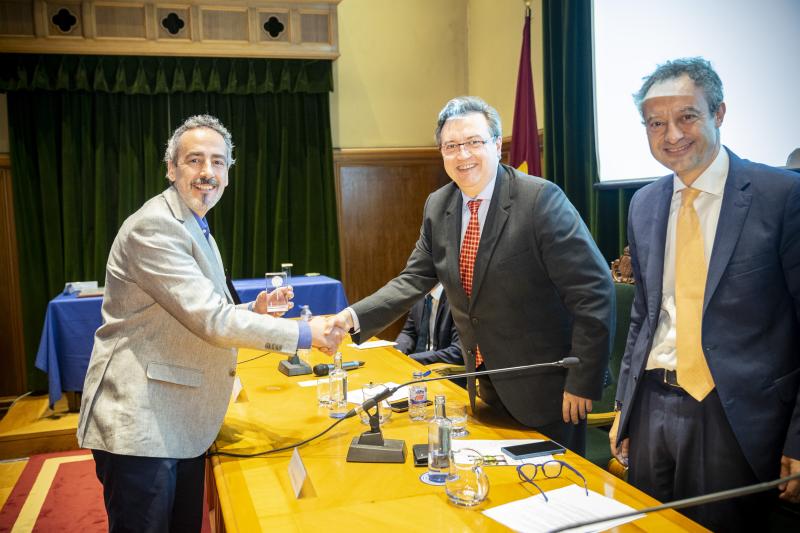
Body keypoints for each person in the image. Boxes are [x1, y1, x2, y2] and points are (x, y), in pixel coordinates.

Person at [77, 115, 343, 532]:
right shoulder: (155, 227)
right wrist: (307, 333)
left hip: (177, 418)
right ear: (171, 168)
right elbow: (211, 321)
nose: (207, 173)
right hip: (142, 426)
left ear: (228, 172)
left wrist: (253, 312)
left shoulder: (195, 224)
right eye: (195, 160)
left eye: (218, 162)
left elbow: (194, 313)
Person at [333, 97, 614, 455]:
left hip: (550, 390)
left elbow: (593, 291)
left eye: (474, 142)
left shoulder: (540, 200)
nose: (463, 155)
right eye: (451, 146)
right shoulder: (439, 205)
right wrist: (351, 317)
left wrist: (583, 380)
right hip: (485, 385)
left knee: (557, 494)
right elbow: (413, 279)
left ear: (497, 145)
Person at [609, 57, 800, 530]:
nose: (671, 134)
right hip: (654, 404)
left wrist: (799, 437)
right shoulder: (645, 202)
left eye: (686, 117)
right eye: (656, 123)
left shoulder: (781, 196)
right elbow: (644, 319)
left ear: (718, 114)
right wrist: (625, 411)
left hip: (735, 412)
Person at [395, 283, 463, 365]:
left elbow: (458, 352)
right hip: (416, 364)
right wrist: (399, 351)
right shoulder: (419, 295)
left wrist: (413, 358)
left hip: (443, 369)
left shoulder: (457, 300)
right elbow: (409, 332)